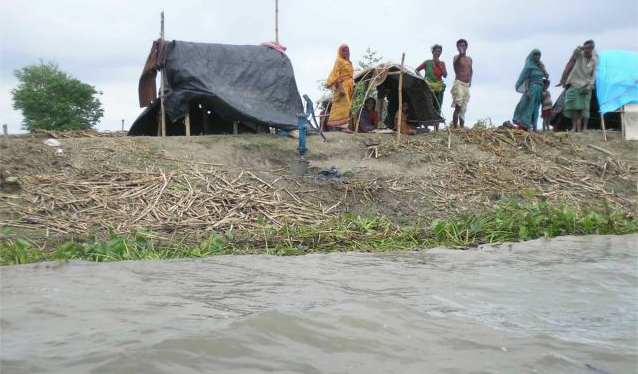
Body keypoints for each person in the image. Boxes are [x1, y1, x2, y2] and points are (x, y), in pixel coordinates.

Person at [560, 40, 598, 132]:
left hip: (586, 85)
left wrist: (591, 85)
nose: (587, 51)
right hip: (575, 83)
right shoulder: (580, 55)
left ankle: (584, 128)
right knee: (575, 107)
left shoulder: (594, 59)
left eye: (589, 48)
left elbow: (594, 74)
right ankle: (574, 127)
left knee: (585, 107)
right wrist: (582, 47)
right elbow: (575, 52)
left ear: (592, 49)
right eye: (586, 48)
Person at [512, 49, 549, 131]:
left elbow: (546, 76)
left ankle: (534, 126)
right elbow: (526, 78)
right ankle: (527, 125)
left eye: (539, 55)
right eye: (536, 55)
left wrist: (543, 68)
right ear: (532, 55)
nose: (538, 56)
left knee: (536, 107)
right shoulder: (529, 66)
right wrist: (527, 90)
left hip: (540, 89)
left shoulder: (540, 65)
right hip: (533, 87)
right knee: (529, 106)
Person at [416, 44, 447, 130]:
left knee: (438, 106)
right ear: (433, 52)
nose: (437, 53)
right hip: (429, 87)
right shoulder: (427, 62)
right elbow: (416, 70)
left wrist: (439, 65)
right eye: (436, 51)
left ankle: (436, 128)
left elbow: (445, 75)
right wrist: (423, 79)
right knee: (428, 105)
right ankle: (425, 126)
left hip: (439, 87)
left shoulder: (442, 63)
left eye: (439, 52)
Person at [325, 45, 355, 132]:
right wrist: (341, 88)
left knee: (347, 106)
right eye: (344, 51)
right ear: (340, 52)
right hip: (342, 86)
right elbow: (336, 76)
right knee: (343, 105)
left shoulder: (349, 62)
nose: (346, 52)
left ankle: (343, 126)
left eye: (347, 51)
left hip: (349, 86)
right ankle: (343, 127)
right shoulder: (339, 61)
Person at [451, 39, 473, 128]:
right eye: (459, 45)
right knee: (458, 106)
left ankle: (462, 128)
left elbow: (471, 71)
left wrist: (470, 81)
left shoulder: (469, 59)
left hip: (466, 85)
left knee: (464, 108)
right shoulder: (456, 57)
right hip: (459, 83)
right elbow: (455, 63)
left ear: (466, 46)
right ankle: (455, 128)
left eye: (463, 45)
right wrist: (460, 53)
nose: (462, 47)